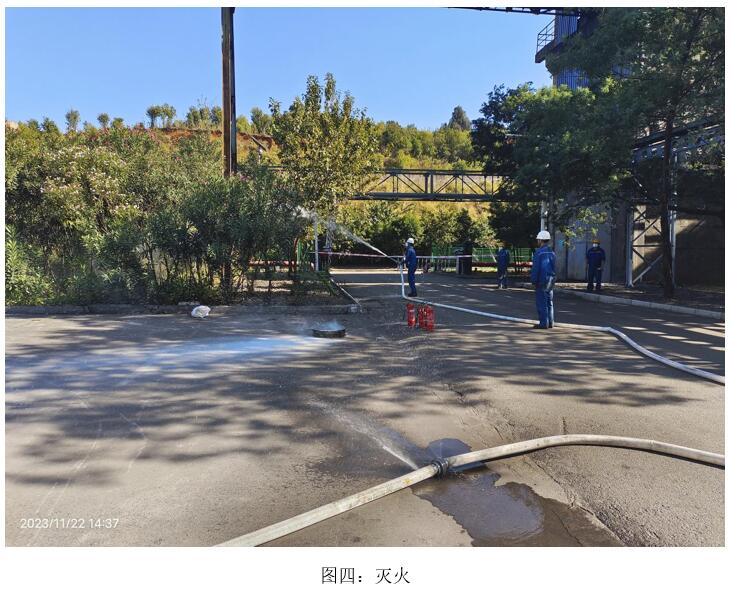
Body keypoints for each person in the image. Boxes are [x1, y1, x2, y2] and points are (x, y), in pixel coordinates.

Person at [530, 230, 556, 329]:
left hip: (542, 280)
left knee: (542, 302)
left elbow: (536, 268)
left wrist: (533, 280)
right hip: (551, 279)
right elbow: (553, 266)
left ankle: (544, 323)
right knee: (549, 301)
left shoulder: (539, 253)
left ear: (541, 240)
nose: (537, 241)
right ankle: (551, 322)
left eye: (538, 240)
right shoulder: (552, 252)